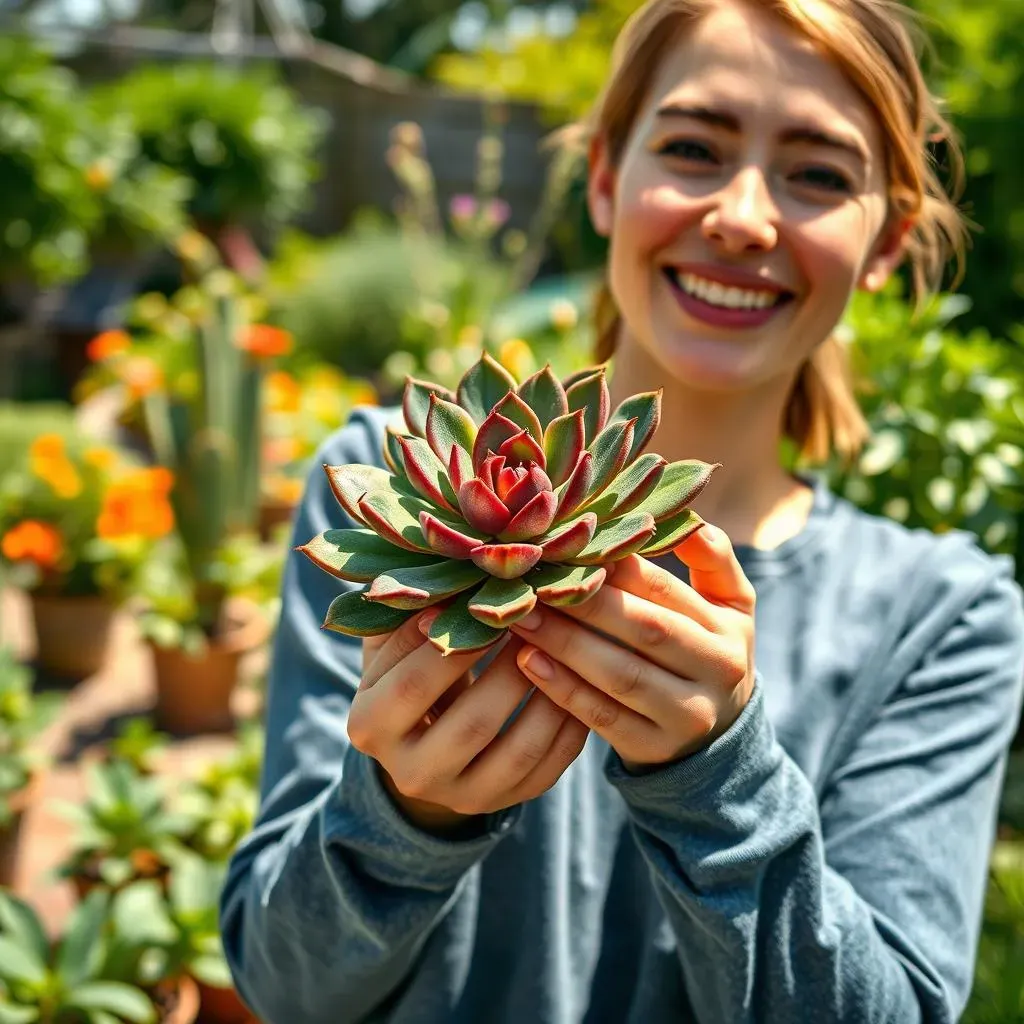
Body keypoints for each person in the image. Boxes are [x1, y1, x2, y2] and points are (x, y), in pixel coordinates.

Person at [220, 1, 1024, 1021]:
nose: (742, 216)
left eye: (819, 174)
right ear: (605, 178)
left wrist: (719, 778)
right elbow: (283, 982)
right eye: (693, 146)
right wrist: (400, 819)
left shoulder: (941, 617)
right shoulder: (384, 497)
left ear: (885, 243)